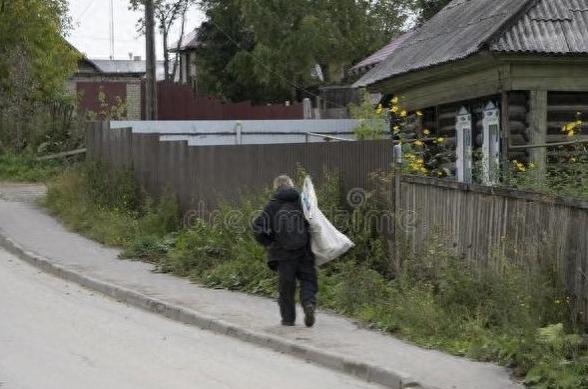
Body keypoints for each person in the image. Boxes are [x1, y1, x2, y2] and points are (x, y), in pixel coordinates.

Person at [252, 175, 317, 327]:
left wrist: (269, 242)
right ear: (291, 185)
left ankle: (288, 319)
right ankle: (309, 304)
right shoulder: (302, 201)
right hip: (304, 250)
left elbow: (258, 227)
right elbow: (314, 221)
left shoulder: (272, 205)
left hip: (283, 253)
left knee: (286, 287)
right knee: (308, 280)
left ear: (276, 188)